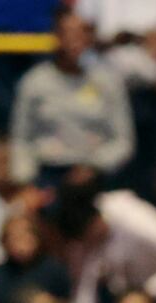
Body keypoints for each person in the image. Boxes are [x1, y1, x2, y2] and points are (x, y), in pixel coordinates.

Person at [8, 12, 136, 187]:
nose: (75, 40)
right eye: (68, 33)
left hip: (97, 174)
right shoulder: (35, 82)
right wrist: (25, 182)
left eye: (82, 33)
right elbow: (21, 139)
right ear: (57, 36)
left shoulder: (108, 82)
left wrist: (95, 166)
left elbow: (124, 141)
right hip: (47, 174)